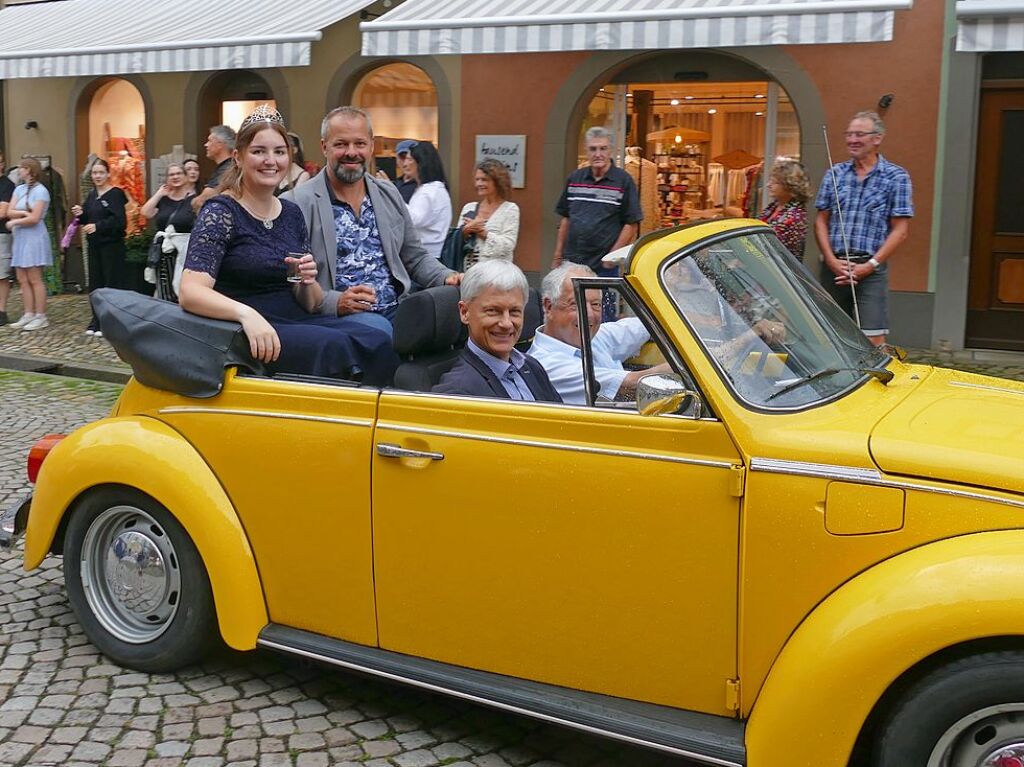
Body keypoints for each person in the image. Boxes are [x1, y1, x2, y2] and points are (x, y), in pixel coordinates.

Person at [180, 105, 398, 385]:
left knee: (376, 339)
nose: (270, 160)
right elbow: (190, 292)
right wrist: (246, 315)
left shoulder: (290, 212)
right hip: (242, 327)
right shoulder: (221, 211)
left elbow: (310, 301)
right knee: (331, 345)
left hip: (293, 318)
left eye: (279, 152)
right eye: (259, 151)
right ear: (238, 157)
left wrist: (306, 280)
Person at [283, 107, 459, 334]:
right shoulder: (296, 203)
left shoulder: (388, 193)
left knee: (460, 320)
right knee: (380, 330)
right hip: (340, 319)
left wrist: (448, 277)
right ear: (324, 146)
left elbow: (415, 257)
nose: (351, 152)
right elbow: (294, 279)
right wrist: (335, 302)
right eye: (341, 144)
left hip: (398, 308)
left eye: (359, 144)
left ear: (371, 146)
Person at [815, 110, 913, 346]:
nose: (852, 140)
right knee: (829, 337)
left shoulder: (896, 177)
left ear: (877, 138)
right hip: (834, 268)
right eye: (849, 134)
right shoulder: (834, 174)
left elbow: (900, 230)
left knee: (873, 339)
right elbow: (820, 220)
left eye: (859, 134)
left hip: (871, 269)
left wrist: (870, 266)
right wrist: (830, 260)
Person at [529, 263, 671, 405]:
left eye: (595, 304)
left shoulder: (590, 335)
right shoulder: (545, 364)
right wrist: (684, 366)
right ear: (548, 306)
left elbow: (645, 325)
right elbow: (633, 386)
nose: (589, 315)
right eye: (576, 304)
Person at [432, 260, 561, 402]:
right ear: (465, 312)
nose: (506, 323)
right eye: (493, 311)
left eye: (514, 311)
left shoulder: (532, 367)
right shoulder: (457, 393)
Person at [553, 126, 643, 321]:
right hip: (573, 261)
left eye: (602, 149)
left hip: (603, 265)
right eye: (593, 149)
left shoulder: (623, 181)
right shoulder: (575, 178)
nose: (598, 154)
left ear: (611, 150)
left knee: (602, 315)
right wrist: (557, 254)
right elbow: (566, 217)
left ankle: (600, 352)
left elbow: (632, 223)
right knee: (571, 311)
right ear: (586, 150)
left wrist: (612, 256)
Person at [71, 158, 129, 335]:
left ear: (108, 174)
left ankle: (110, 321)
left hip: (111, 246)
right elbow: (88, 219)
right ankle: (96, 319)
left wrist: (99, 226)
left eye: (101, 173)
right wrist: (81, 215)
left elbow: (120, 221)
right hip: (94, 246)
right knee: (96, 283)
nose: (97, 176)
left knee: (110, 283)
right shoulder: (91, 195)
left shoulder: (116, 194)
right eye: (95, 173)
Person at [5, 158, 52, 331]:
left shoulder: (41, 191)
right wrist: (23, 212)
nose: (19, 170)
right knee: (22, 278)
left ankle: (41, 315)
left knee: (34, 278)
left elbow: (35, 218)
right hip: (21, 237)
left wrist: (16, 221)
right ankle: (28, 313)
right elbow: (9, 211)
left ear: (30, 170)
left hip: (34, 237)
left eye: (22, 167)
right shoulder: (19, 189)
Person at [458, 159, 520, 267]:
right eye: (477, 179)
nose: (479, 184)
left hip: (497, 275)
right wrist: (465, 230)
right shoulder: (469, 208)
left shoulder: (510, 209)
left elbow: (508, 246)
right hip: (468, 274)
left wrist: (483, 233)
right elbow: (456, 243)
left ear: (498, 181)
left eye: (484, 180)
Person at [403, 141, 452, 262]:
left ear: (421, 162)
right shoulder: (436, 188)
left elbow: (413, 220)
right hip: (432, 254)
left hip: (426, 256)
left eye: (410, 159)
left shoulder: (428, 191)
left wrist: (393, 194)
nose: (405, 164)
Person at [759, 158, 810, 261]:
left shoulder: (796, 217)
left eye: (774, 182)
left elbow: (783, 254)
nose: (768, 185)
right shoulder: (773, 207)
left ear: (789, 185)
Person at [191, 124, 236, 213]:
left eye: (209, 141)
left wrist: (194, 202)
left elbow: (201, 201)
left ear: (220, 144)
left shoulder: (228, 169)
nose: (206, 145)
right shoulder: (226, 167)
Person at [141, 163, 196, 233]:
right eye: (171, 175)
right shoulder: (163, 198)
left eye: (179, 173)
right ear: (167, 179)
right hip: (164, 242)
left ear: (186, 177)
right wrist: (159, 193)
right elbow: (146, 213)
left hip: (184, 242)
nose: (175, 177)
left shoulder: (194, 199)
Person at [0, 151, 15, 326]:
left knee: (1, 275)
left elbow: (3, 212)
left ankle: (2, 311)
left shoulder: (6, 185)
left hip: (1, 234)